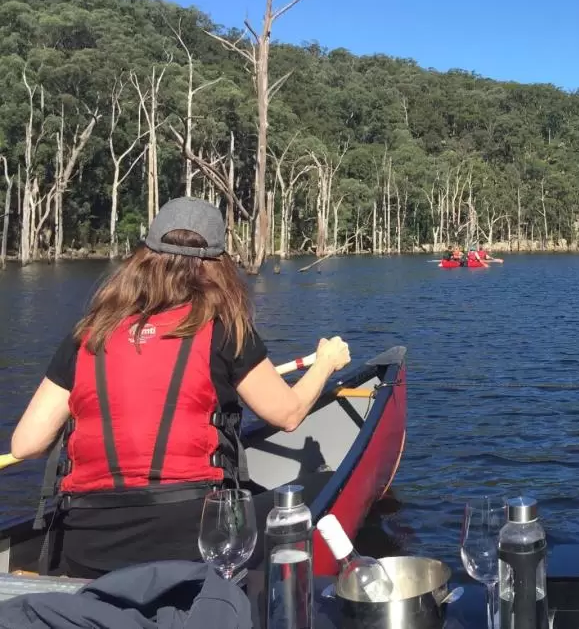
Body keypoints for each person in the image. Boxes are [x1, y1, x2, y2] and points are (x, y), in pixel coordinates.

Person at [9, 197, 353, 578]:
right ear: (217, 264)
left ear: (142, 258)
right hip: (195, 539)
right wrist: (325, 364)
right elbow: (287, 414)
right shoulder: (223, 330)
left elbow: (26, 445)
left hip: (88, 541)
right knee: (316, 488)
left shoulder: (88, 335)